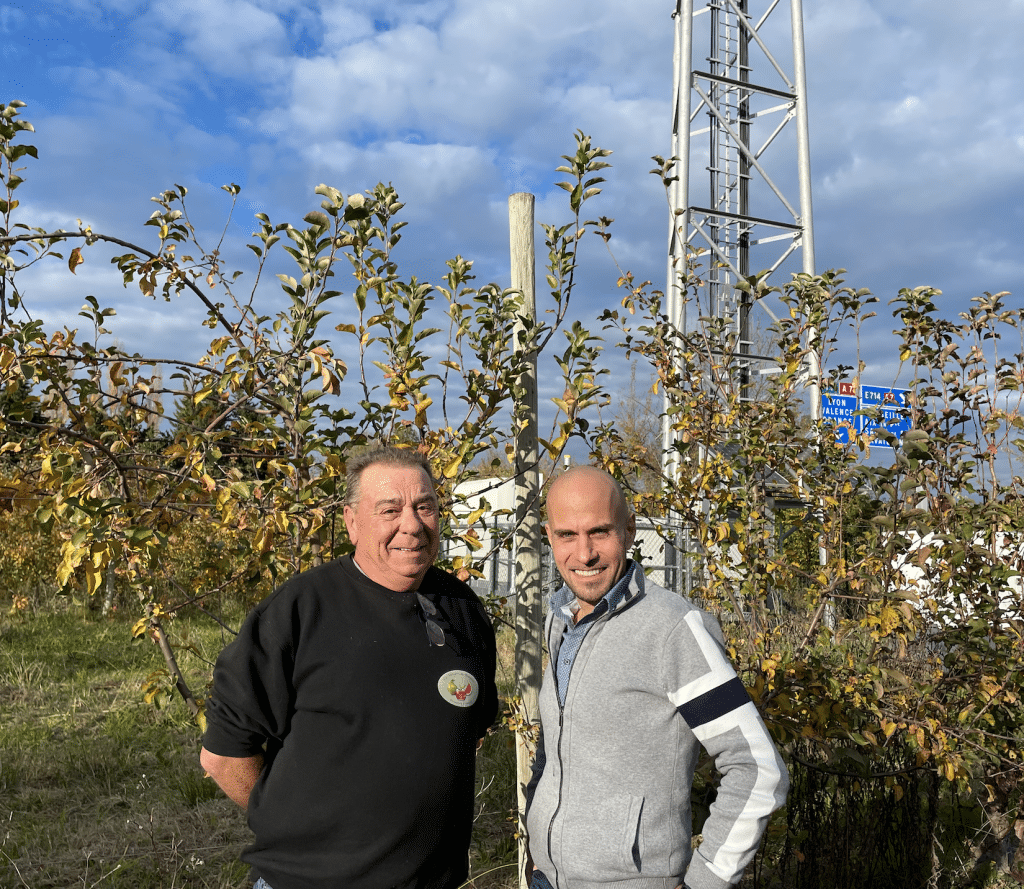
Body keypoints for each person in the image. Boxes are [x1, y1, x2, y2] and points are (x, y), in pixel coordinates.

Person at [200, 445, 499, 889]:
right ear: (352, 521)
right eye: (389, 510)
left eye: (425, 507)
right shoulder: (300, 611)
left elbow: (466, 732)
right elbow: (223, 755)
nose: (411, 525)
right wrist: (296, 828)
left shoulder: (462, 611)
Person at [525, 465, 788, 889]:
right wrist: (536, 837)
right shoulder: (561, 618)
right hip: (545, 879)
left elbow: (757, 767)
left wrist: (705, 881)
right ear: (549, 536)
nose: (584, 553)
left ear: (629, 531)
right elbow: (556, 745)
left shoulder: (673, 629)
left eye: (600, 532)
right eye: (566, 535)